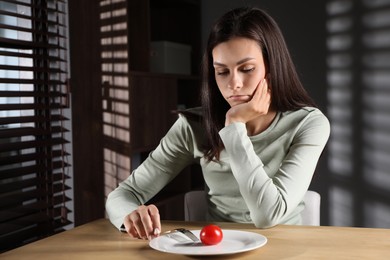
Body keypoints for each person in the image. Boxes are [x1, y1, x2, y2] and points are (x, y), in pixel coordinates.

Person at [106, 7, 330, 240]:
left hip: (287, 250)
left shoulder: (308, 124)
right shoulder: (194, 126)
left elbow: (267, 215)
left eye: (247, 69)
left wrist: (234, 126)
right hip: (219, 248)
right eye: (222, 72)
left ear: (271, 68)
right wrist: (129, 215)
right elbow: (122, 195)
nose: (234, 83)